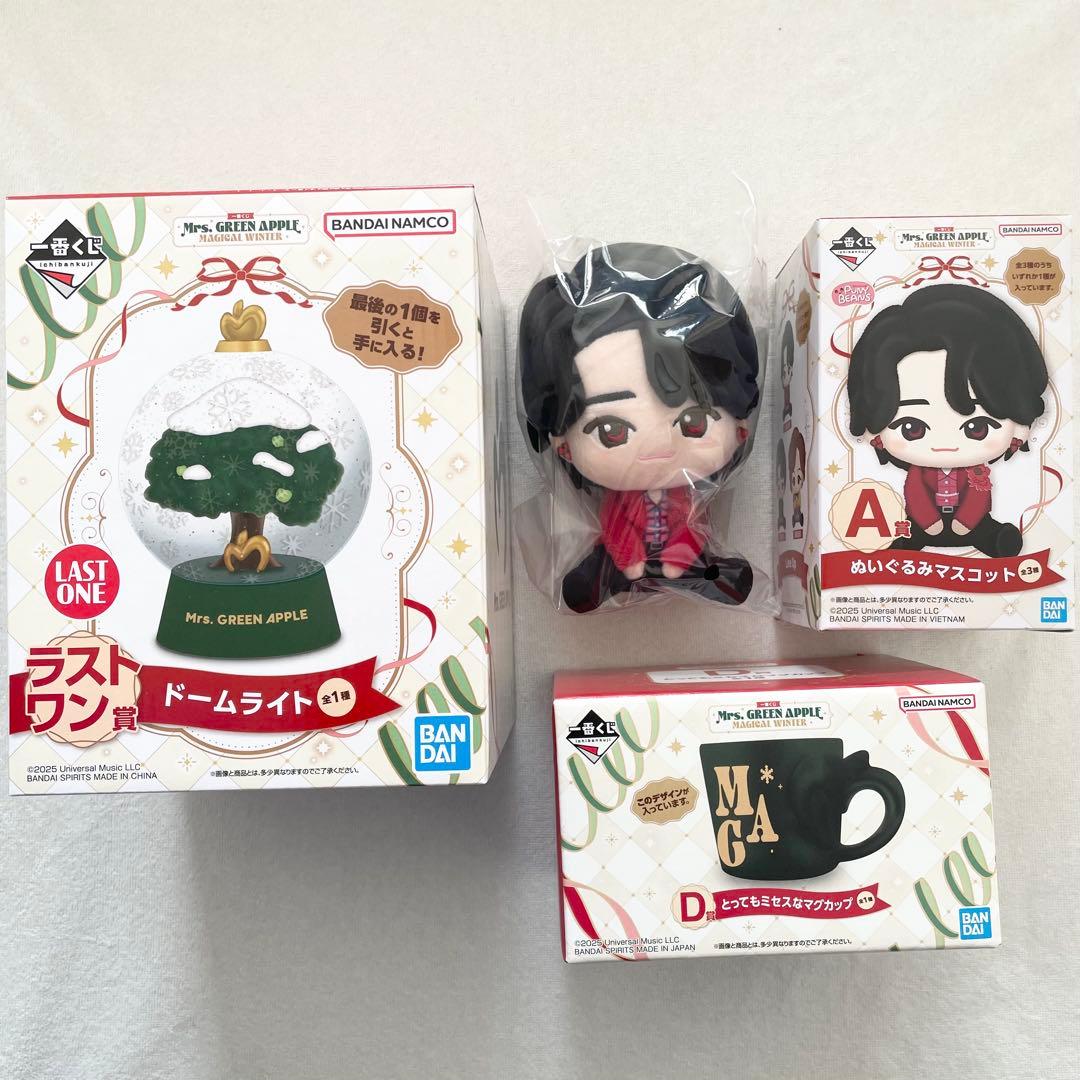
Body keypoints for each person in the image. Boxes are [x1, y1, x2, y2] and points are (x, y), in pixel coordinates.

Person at [520, 242, 760, 612]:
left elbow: (689, 527)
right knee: (603, 562)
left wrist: (678, 560)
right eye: (611, 430)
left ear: (741, 425)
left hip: (684, 555)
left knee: (696, 552)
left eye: (694, 422)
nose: (659, 444)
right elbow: (616, 527)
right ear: (561, 443)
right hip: (623, 557)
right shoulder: (619, 501)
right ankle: (615, 575)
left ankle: (686, 571)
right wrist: (629, 562)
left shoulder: (687, 499)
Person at [848, 284, 1047, 557]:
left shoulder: (977, 473)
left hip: (972, 523)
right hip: (924, 523)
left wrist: (966, 522)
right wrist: (928, 521)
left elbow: (978, 497)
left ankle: (996, 540)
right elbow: (916, 494)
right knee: (910, 533)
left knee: (986, 531)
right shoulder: (919, 474)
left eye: (976, 428)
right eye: (912, 428)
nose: (945, 444)